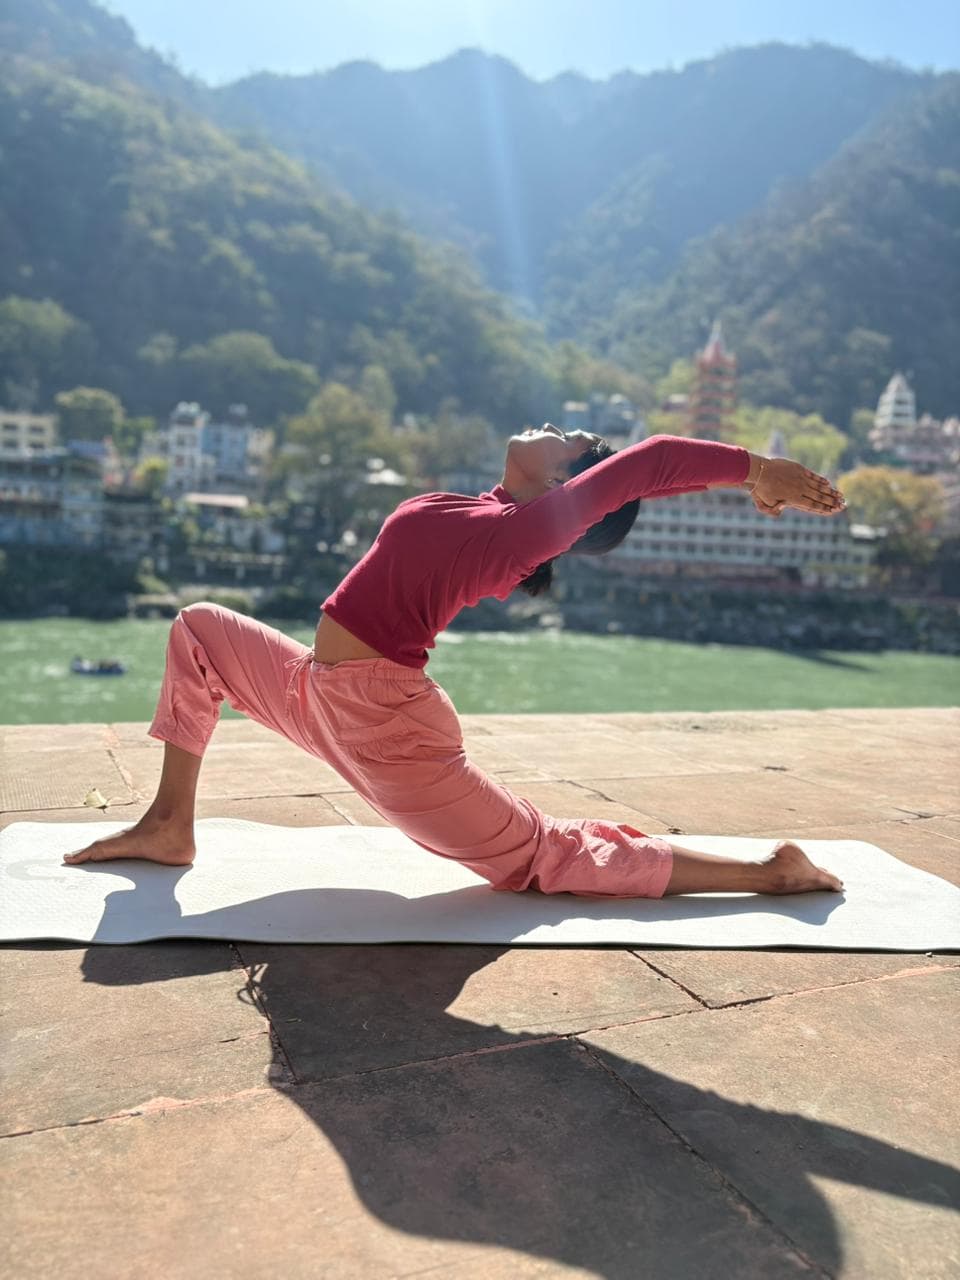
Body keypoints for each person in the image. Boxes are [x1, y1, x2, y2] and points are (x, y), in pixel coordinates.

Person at [64, 428, 845, 897]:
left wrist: (753, 469)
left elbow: (650, 463)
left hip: (388, 731)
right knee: (198, 629)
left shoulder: (525, 534)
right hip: (317, 692)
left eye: (569, 441)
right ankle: (170, 825)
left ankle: (768, 871)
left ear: (565, 486)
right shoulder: (488, 511)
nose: (554, 429)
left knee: (544, 856)